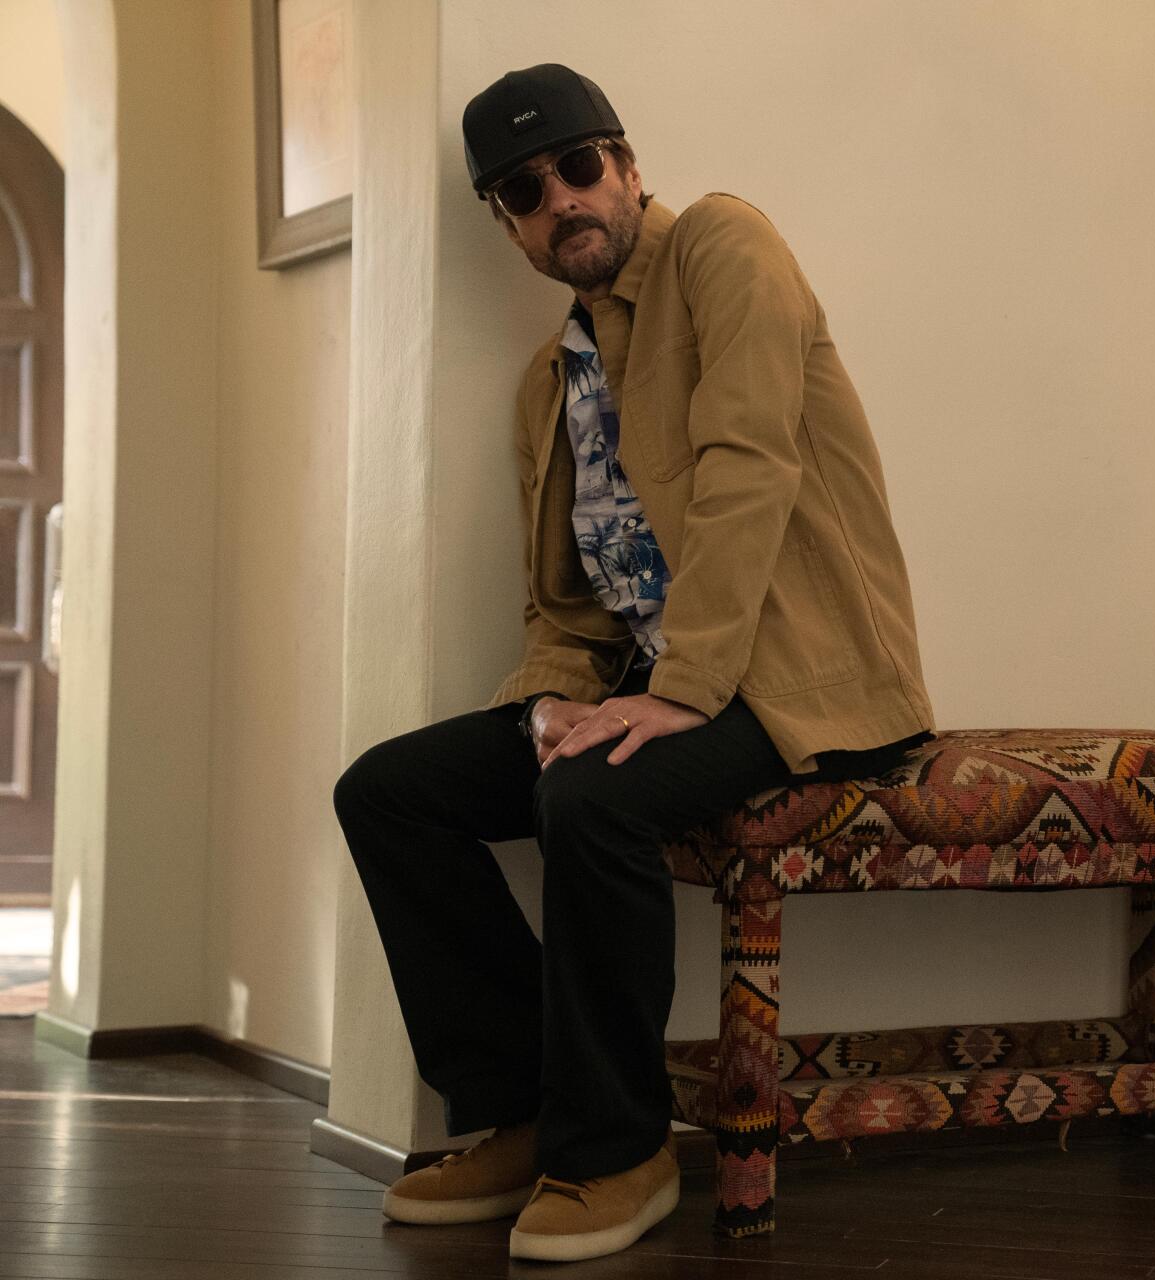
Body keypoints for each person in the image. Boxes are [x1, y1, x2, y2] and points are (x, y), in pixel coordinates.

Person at [331, 63, 936, 1264]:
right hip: (661, 686)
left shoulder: (724, 244)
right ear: (510, 229)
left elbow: (748, 464)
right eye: (522, 191)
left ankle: (617, 1147)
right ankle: (526, 1112)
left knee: (590, 797)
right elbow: (565, 602)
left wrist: (677, 690)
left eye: (576, 165)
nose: (560, 198)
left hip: (799, 681)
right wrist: (554, 696)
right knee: (389, 792)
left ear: (627, 163)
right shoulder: (547, 387)